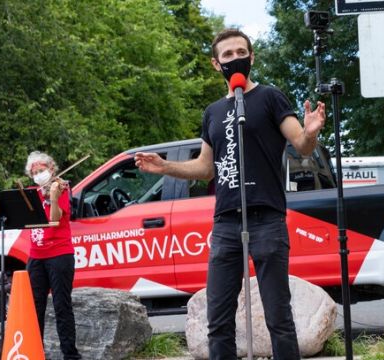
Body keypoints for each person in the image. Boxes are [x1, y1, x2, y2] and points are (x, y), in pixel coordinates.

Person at [135, 28, 325, 360]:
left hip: (267, 218)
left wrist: (310, 134)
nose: (235, 59)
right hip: (225, 224)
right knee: (218, 320)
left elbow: (301, 144)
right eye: (227, 55)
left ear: (252, 58)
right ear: (215, 63)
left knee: (278, 317)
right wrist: (165, 167)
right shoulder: (212, 112)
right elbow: (206, 168)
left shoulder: (270, 97)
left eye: (241, 52)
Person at [24, 151, 80, 360]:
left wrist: (54, 198)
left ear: (52, 170)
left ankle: (70, 354)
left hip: (59, 253)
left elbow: (55, 219)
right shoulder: (31, 193)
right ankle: (34, 351)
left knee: (61, 304)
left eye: (42, 170)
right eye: (35, 172)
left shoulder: (61, 188)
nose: (39, 175)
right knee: (34, 306)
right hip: (36, 255)